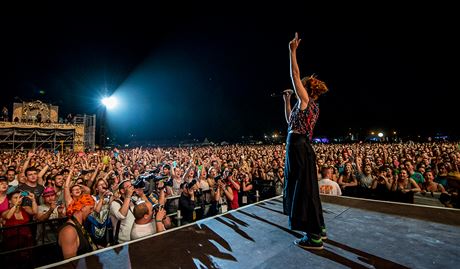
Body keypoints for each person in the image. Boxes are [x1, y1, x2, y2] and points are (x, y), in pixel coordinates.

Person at [282, 32, 329, 250]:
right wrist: (287, 100)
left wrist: (292, 51)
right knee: (308, 187)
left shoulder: (307, 100)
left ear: (307, 89)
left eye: (301, 85)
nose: (298, 84)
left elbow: (294, 72)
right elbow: (289, 123)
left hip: (298, 147)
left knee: (303, 189)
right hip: (302, 145)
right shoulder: (312, 106)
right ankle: (319, 228)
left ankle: (313, 237)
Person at [58, 194, 96, 259]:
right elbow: (71, 263)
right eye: (91, 208)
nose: (92, 211)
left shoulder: (80, 226)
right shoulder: (69, 231)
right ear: (82, 207)